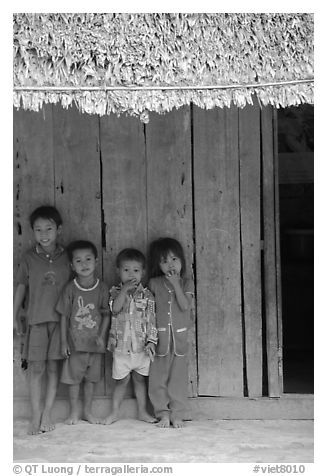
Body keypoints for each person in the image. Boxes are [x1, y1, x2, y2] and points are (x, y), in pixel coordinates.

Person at [13, 205, 71, 434]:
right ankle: (35, 413)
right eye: (38, 230)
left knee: (54, 369)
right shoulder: (29, 258)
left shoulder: (68, 257)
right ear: (33, 232)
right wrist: (13, 313)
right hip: (36, 321)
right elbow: (21, 286)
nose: (44, 234)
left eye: (49, 228)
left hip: (60, 322)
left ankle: (48, 412)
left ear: (59, 229)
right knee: (36, 368)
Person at [56, 240, 110, 425]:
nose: (84, 264)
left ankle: (87, 411)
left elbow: (106, 315)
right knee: (73, 381)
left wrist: (102, 336)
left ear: (96, 261)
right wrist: (63, 342)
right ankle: (74, 412)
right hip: (75, 345)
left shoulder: (102, 288)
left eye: (88, 259)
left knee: (90, 381)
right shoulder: (70, 289)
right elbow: (63, 316)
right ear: (72, 266)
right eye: (78, 261)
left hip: (95, 345)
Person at [103, 248, 157, 425]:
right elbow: (115, 309)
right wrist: (124, 291)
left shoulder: (148, 295)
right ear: (118, 271)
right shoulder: (114, 292)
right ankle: (115, 412)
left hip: (141, 347)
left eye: (136, 270)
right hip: (121, 347)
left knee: (140, 380)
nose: (131, 274)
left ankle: (142, 411)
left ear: (143, 272)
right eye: (126, 270)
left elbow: (151, 320)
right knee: (122, 381)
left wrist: (152, 341)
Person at [147, 237, 194, 428]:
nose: (170, 265)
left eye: (174, 259)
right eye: (164, 261)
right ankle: (162, 413)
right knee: (157, 378)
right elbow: (148, 312)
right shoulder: (154, 283)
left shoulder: (186, 283)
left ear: (182, 260)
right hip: (159, 339)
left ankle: (177, 414)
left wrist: (176, 284)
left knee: (178, 379)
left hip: (180, 340)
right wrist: (149, 338)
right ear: (158, 265)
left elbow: (185, 306)